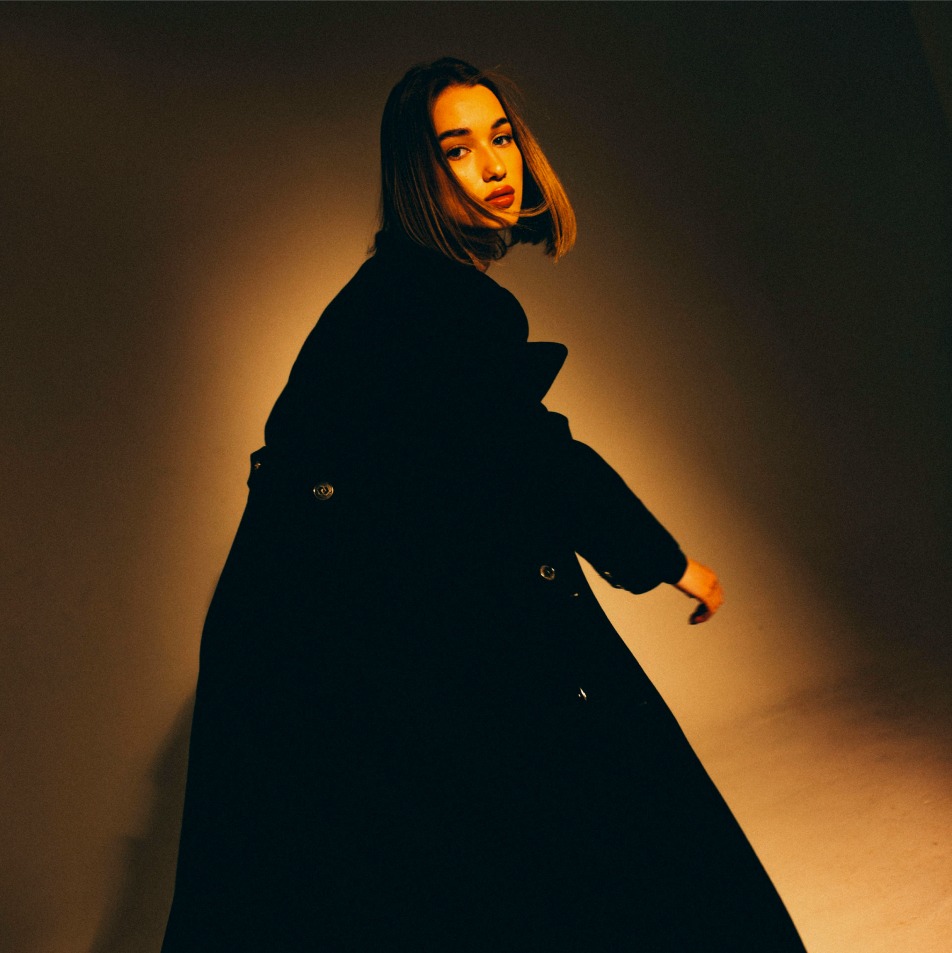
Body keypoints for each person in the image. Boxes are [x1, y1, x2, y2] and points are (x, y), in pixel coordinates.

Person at [161, 58, 806, 952]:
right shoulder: (437, 302)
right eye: (457, 148)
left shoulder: (405, 290)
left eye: (501, 136)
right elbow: (539, 461)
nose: (495, 165)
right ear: (416, 173)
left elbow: (476, 470)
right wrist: (672, 564)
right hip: (325, 651)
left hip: (322, 640)